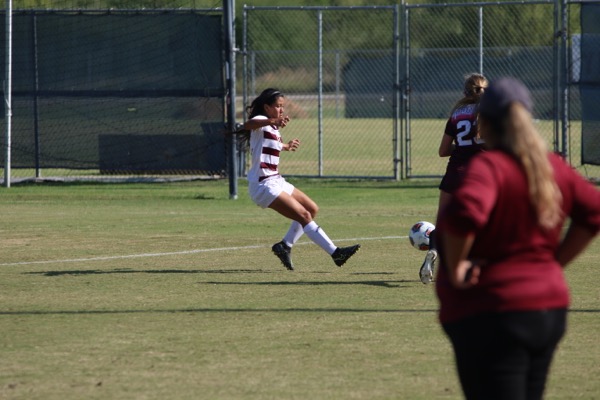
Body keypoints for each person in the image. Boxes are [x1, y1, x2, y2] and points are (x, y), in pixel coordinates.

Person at [435, 77, 600, 400]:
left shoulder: (490, 166)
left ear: (485, 120)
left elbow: (462, 216)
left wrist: (455, 270)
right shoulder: (551, 165)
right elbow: (593, 214)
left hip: (494, 311)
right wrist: (554, 263)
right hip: (548, 309)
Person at [240, 88, 360, 271]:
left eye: (282, 107)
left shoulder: (272, 127)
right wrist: (273, 120)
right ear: (267, 107)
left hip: (276, 180)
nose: (281, 110)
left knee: (312, 209)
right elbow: (248, 125)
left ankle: (285, 245)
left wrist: (286, 146)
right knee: (304, 216)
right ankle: (336, 254)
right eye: (278, 107)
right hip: (263, 185)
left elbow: (269, 146)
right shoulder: (261, 122)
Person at [419, 73, 489, 284]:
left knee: (442, 221)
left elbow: (442, 151)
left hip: (455, 172)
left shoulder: (457, 114)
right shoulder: (491, 113)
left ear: (465, 92)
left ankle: (433, 251)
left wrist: (463, 145)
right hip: (481, 176)